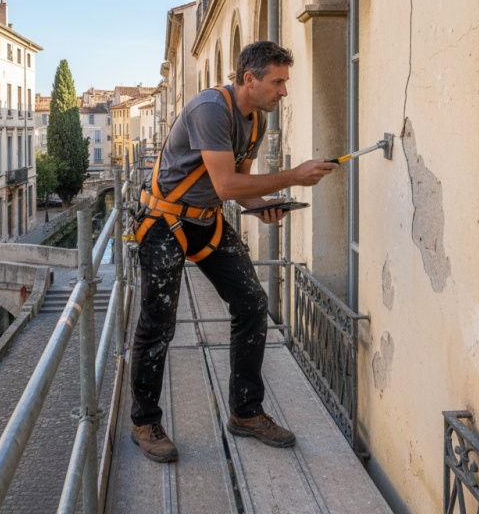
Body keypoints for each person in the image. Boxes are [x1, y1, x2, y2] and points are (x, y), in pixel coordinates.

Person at [130, 41, 337, 462]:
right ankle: (144, 420)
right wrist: (293, 177)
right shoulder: (211, 109)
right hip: (163, 223)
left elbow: (239, 188)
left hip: (205, 219)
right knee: (158, 323)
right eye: (277, 82)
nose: (283, 91)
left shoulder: (255, 122)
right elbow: (227, 185)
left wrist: (263, 207)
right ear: (250, 79)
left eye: (284, 82)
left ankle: (246, 412)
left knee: (251, 302)